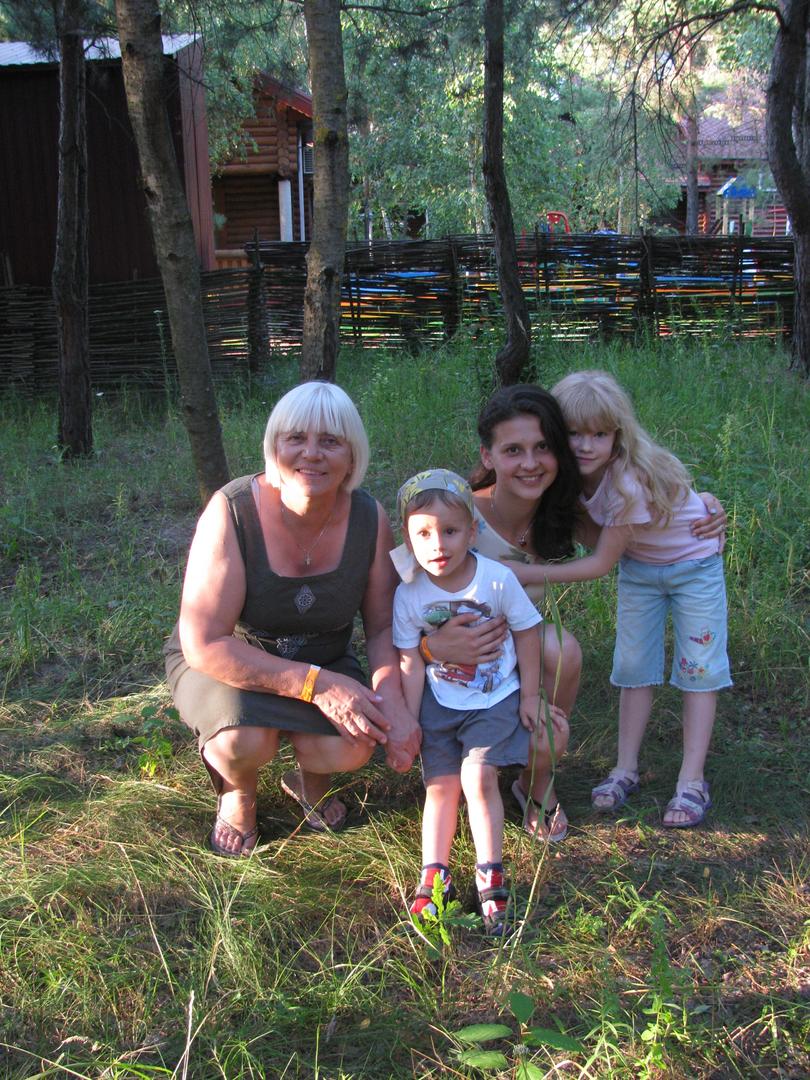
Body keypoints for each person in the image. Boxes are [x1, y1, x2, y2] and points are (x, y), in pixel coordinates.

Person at [416, 384, 727, 839]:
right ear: (488, 455)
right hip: (448, 662)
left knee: (562, 649)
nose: (530, 462)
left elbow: (627, 535)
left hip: (512, 649)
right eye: (513, 450)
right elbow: (400, 602)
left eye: (543, 447)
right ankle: (462, 754)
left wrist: (699, 506)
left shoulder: (563, 507)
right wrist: (430, 647)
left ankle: (537, 777)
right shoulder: (457, 515)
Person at [164, 382, 420, 857]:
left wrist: (394, 704)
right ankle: (237, 791)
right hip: (232, 661)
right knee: (244, 740)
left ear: (352, 455)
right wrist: (317, 686)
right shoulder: (232, 509)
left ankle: (309, 779)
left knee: (355, 744)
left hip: (325, 655)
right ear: (273, 446)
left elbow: (383, 627)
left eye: (331, 441)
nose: (312, 453)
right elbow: (205, 641)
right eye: (296, 438)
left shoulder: (369, 518)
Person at [536, 370, 731, 827]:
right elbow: (596, 536)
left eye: (599, 435)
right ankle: (625, 769)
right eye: (573, 433)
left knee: (699, 669)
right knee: (632, 667)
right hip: (641, 571)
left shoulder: (626, 479)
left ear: (617, 436)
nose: (585, 446)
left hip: (694, 567)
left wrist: (524, 573)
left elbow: (599, 562)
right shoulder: (571, 479)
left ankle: (692, 780)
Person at [392, 470, 565, 936]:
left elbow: (527, 631)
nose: (438, 545)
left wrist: (530, 694)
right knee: (441, 786)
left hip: (494, 697)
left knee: (477, 776)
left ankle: (490, 873)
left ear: (472, 531)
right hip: (439, 702)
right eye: (423, 534)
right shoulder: (408, 594)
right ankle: (435, 874)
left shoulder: (496, 579)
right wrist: (409, 718)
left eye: (450, 531)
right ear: (407, 539)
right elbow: (410, 660)